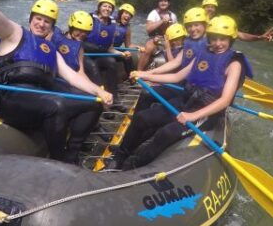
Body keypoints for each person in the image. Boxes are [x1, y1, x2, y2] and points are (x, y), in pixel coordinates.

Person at [0, 0, 112, 161]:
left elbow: (72, 76)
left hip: (41, 97)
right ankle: (59, 160)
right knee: (57, 106)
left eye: (47, 22)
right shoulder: (13, 33)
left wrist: (99, 92)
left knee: (92, 104)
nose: (41, 24)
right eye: (38, 19)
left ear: (53, 25)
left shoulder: (52, 49)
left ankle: (73, 150)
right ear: (31, 19)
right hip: (12, 99)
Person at [108, 15, 253, 170]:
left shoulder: (234, 63)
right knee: (142, 118)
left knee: (166, 133)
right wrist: (144, 74)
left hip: (205, 111)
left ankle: (133, 165)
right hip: (186, 100)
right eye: (214, 38)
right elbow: (178, 75)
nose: (218, 44)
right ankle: (120, 155)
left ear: (231, 39)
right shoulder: (204, 53)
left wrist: (192, 116)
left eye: (223, 39)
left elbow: (225, 100)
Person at [50, 11, 105, 163]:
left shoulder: (79, 47)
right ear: (71, 26)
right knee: (91, 103)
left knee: (96, 101)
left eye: (86, 32)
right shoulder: (54, 35)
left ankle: (74, 147)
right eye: (79, 30)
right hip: (54, 82)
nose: (82, 34)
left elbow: (80, 72)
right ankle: (72, 149)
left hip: (69, 83)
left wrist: (96, 89)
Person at [131, 7, 208, 112]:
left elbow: (177, 76)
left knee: (148, 95)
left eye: (197, 25)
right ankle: (138, 119)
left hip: (193, 91)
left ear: (205, 25)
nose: (193, 29)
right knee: (146, 94)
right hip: (183, 84)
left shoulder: (207, 47)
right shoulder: (190, 42)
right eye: (189, 26)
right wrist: (148, 73)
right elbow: (176, 62)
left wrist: (147, 76)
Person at [82, 0, 129, 96]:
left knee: (111, 62)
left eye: (110, 7)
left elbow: (110, 48)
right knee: (92, 66)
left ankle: (114, 98)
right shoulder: (89, 18)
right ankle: (99, 95)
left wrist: (121, 53)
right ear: (99, 7)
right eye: (104, 6)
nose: (107, 9)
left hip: (100, 55)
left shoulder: (112, 24)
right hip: (84, 54)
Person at [201, 0, 273, 42]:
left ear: (215, 9)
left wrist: (259, 37)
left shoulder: (219, 22)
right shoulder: (195, 23)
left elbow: (241, 35)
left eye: (212, 7)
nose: (210, 9)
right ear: (203, 8)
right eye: (207, 7)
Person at [136, 0, 178, 71]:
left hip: (168, 39)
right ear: (158, 3)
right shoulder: (153, 14)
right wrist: (161, 21)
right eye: (161, 1)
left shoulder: (173, 16)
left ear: (168, 3)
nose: (163, 3)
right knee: (149, 47)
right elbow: (148, 29)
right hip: (155, 39)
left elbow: (176, 31)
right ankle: (139, 72)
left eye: (165, 1)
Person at [113, 3, 144, 80]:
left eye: (130, 15)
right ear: (120, 13)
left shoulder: (127, 29)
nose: (128, 16)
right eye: (126, 13)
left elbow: (128, 45)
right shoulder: (111, 22)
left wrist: (138, 47)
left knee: (128, 57)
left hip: (116, 49)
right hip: (106, 49)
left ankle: (131, 78)